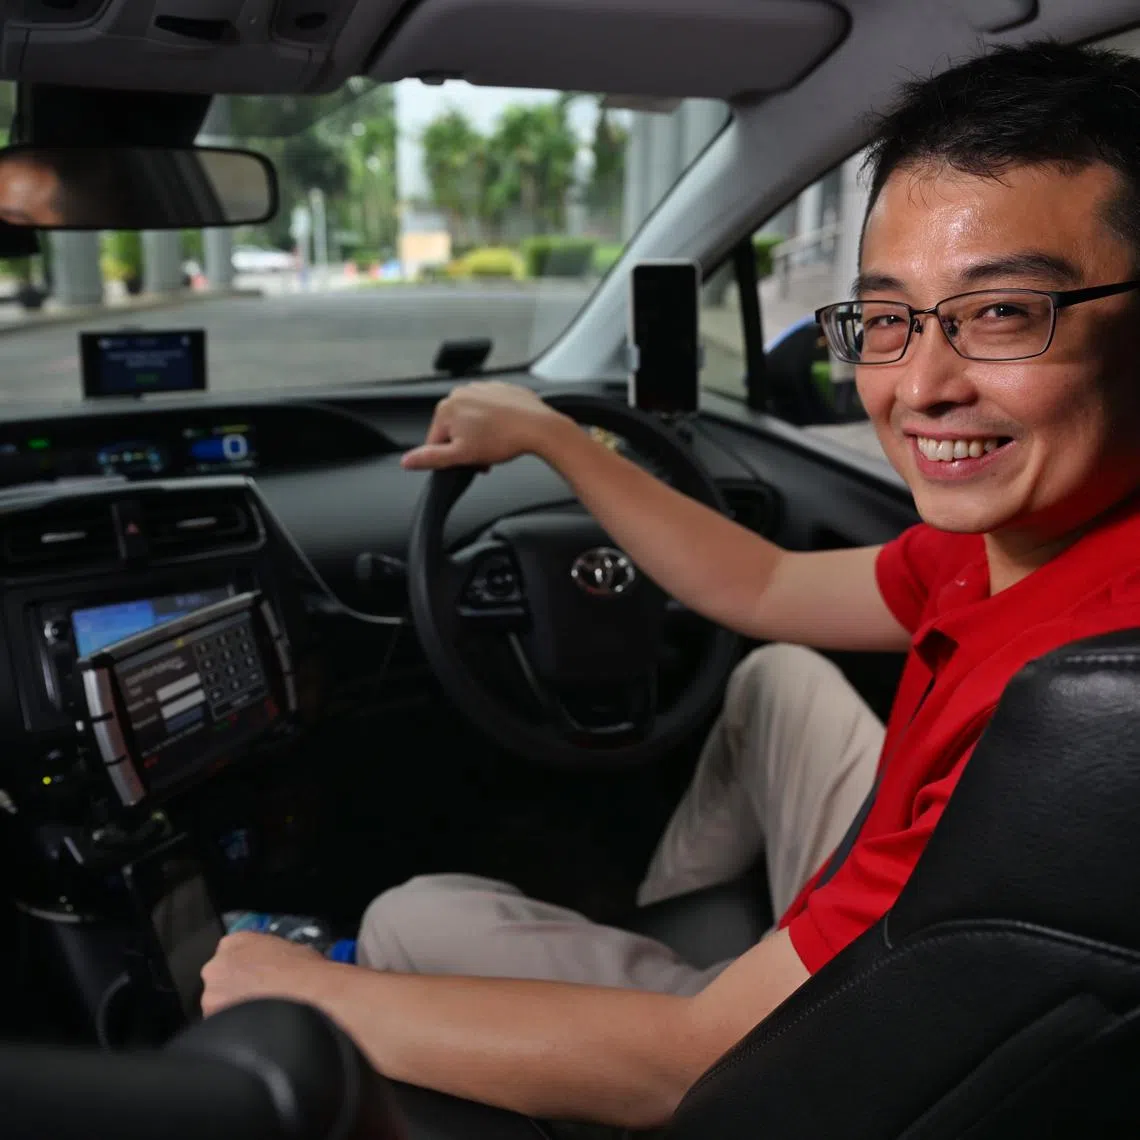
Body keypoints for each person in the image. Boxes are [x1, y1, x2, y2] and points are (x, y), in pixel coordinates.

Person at [201, 40, 1140, 1131]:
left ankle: (678, 977)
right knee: (774, 679)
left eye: (1004, 312)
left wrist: (309, 994)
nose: (921, 386)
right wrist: (555, 437)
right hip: (902, 942)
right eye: (888, 318)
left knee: (412, 915)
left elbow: (702, 1067)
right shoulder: (1019, 544)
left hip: (799, 1054)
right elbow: (765, 584)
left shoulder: (1073, 712)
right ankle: (684, 935)